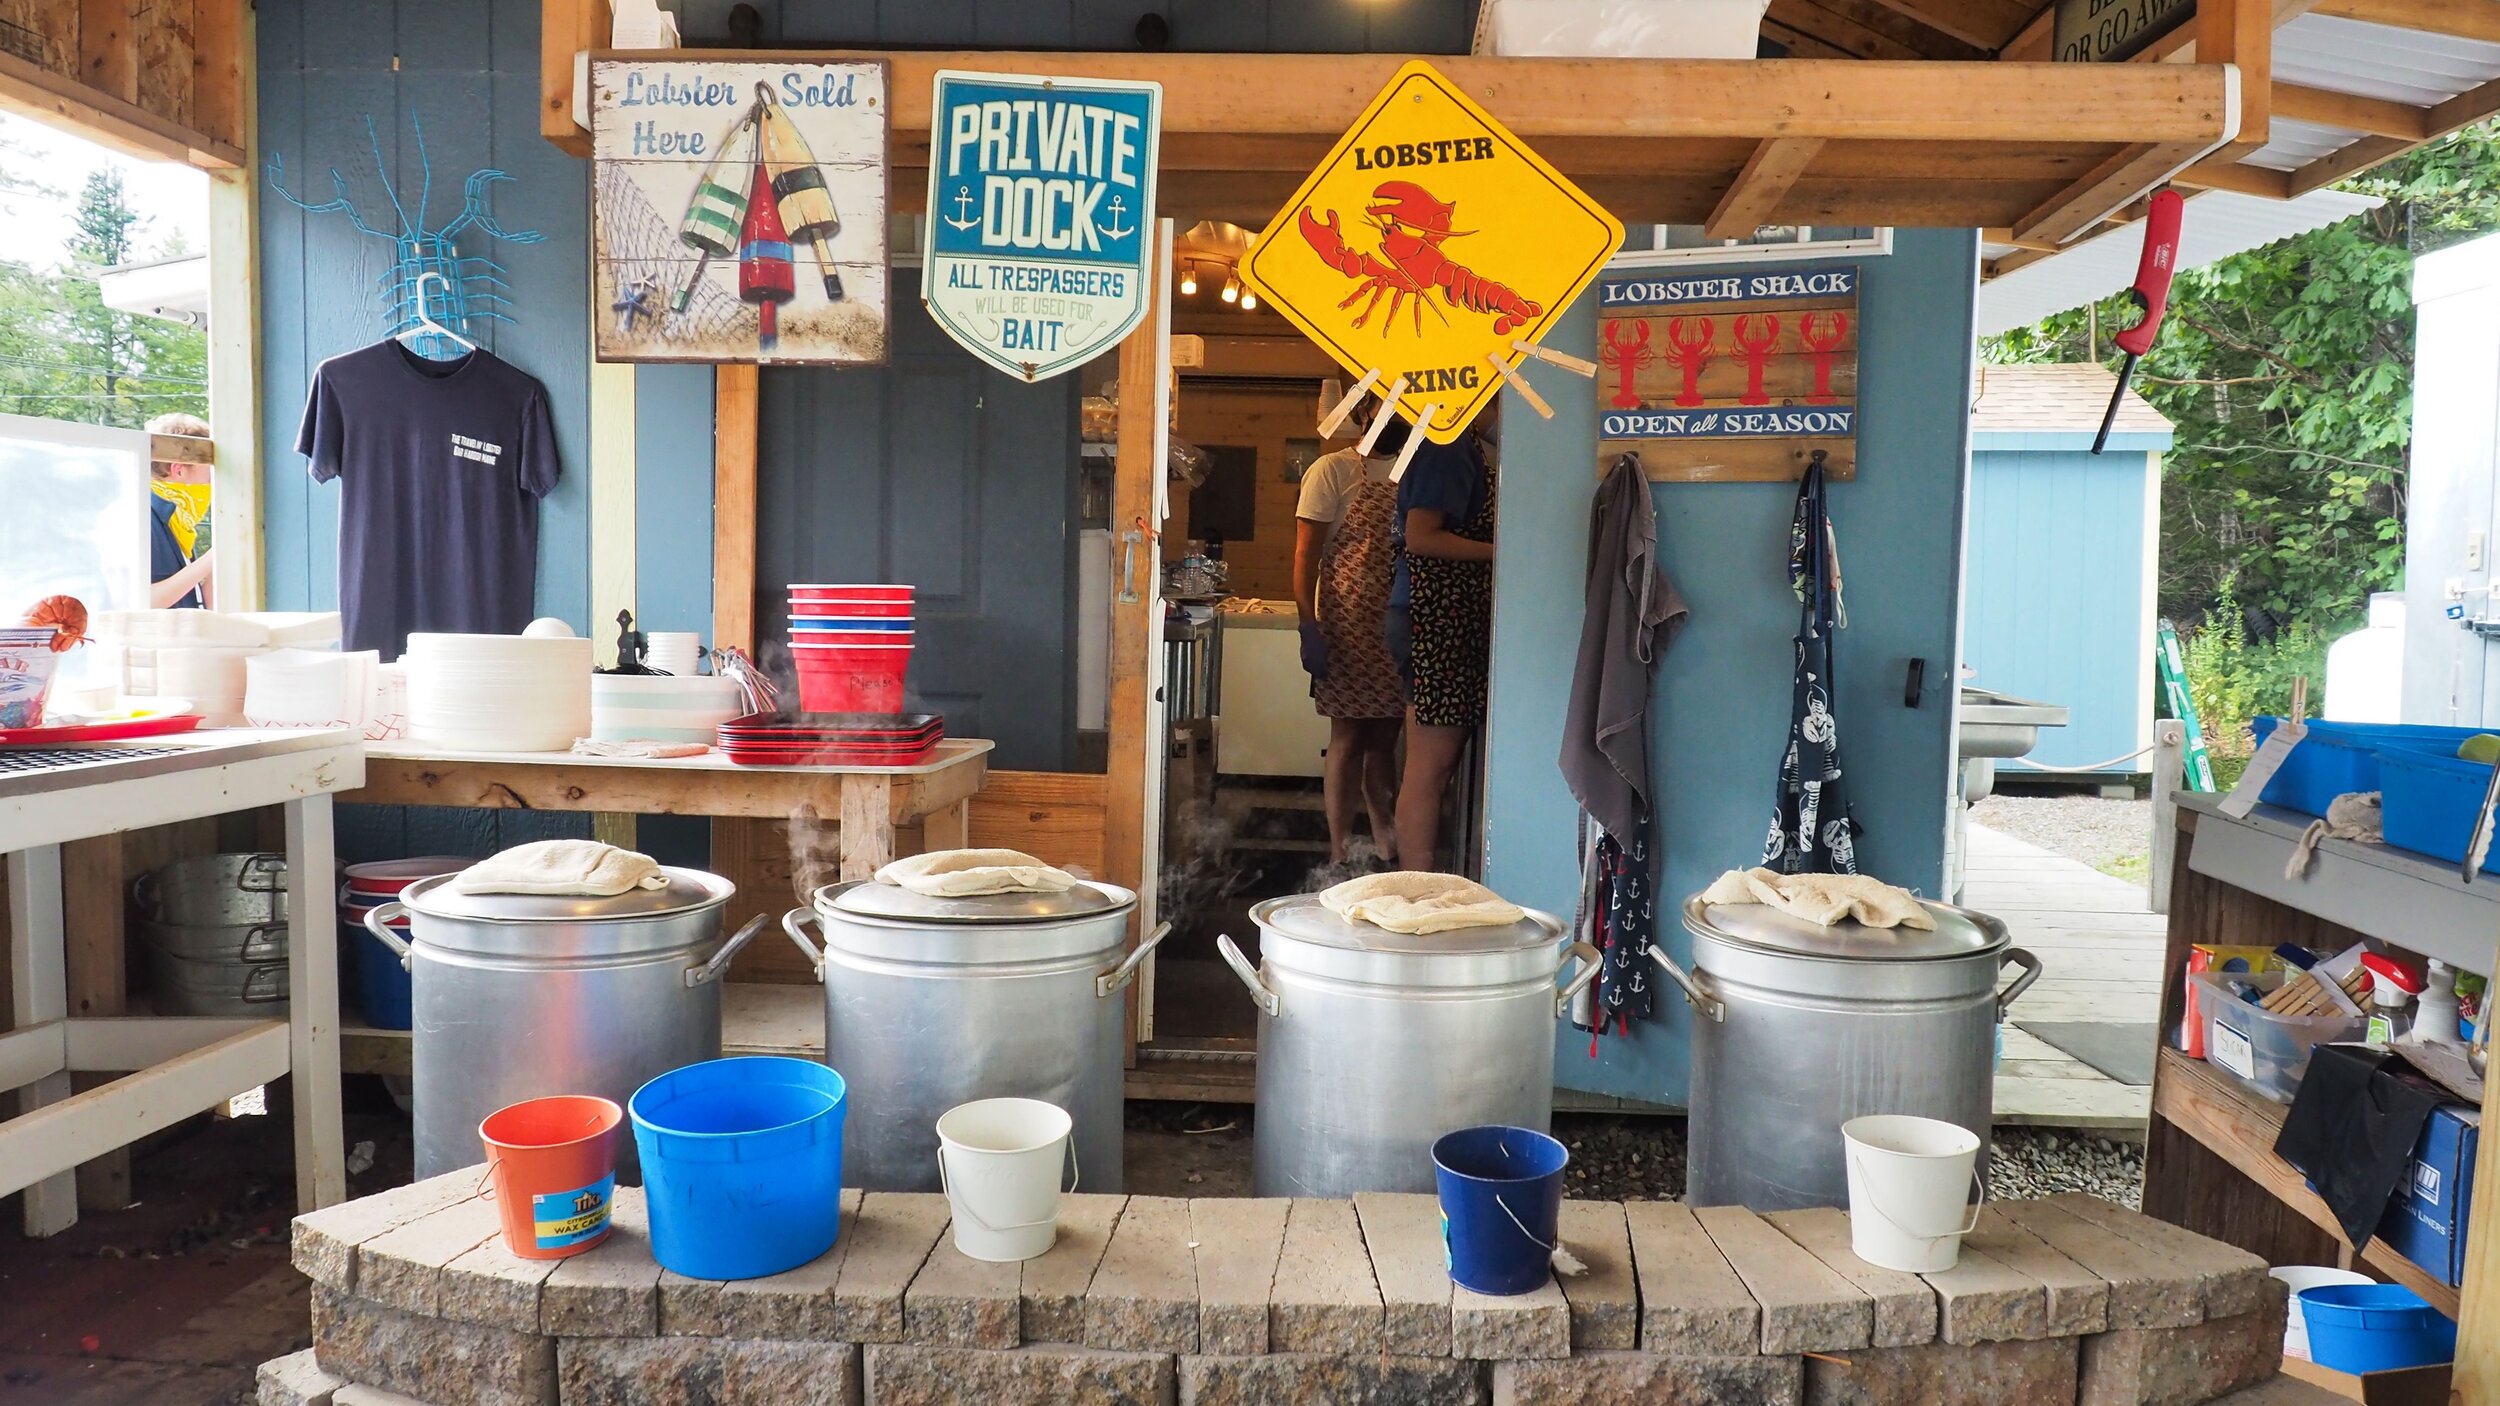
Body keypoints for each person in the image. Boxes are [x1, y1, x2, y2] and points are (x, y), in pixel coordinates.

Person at [1293, 400, 1409, 868]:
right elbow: (1305, 556)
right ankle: (1338, 849)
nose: (1396, 421)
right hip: (1346, 624)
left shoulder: (1411, 471)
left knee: (1386, 736)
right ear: (1364, 414)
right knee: (1348, 735)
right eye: (1387, 412)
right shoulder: (1332, 471)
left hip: (1398, 623)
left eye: (1404, 413)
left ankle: (1385, 840)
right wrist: (1308, 623)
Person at [1386, 408, 1498, 873]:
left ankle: (1420, 883)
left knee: (1433, 768)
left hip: (1442, 619)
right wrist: (1507, 552)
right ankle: (1415, 889)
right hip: (1435, 620)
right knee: (1429, 769)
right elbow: (1421, 537)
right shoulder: (1446, 444)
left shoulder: (1458, 443)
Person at [146, 412, 215, 609]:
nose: (213, 483)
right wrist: (213, 557)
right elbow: (146, 601)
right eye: (209, 472)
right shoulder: (141, 518)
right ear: (179, 470)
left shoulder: (178, 518)